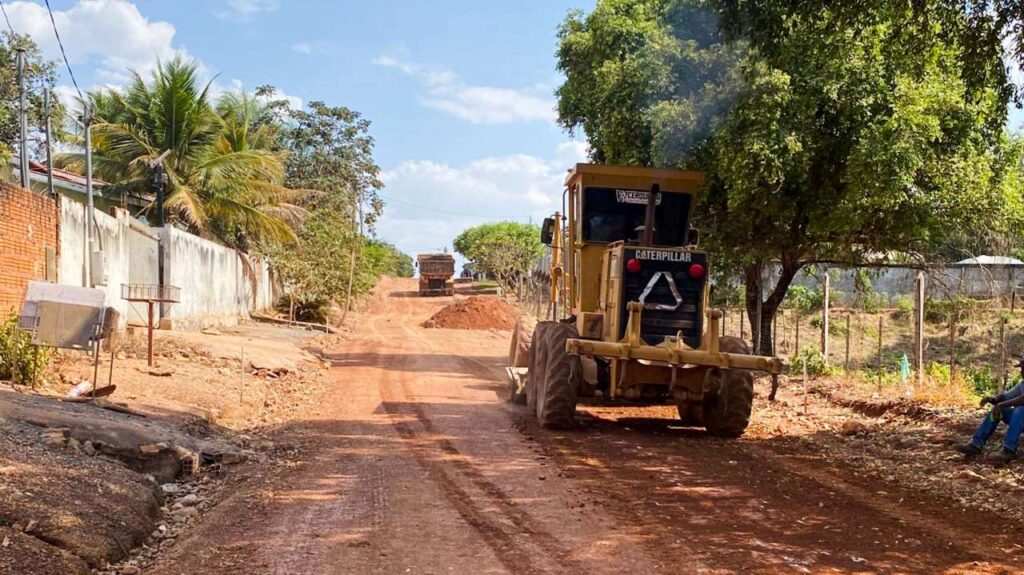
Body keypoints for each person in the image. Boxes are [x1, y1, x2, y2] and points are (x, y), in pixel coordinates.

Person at [956, 358, 1024, 462]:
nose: (1021, 371)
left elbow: (1022, 399)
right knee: (997, 410)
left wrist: (1000, 404)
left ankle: (1009, 450)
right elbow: (1006, 396)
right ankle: (976, 445)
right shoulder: (1022, 384)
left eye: (1023, 369)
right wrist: (993, 399)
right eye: (1021, 369)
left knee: (1020, 409)